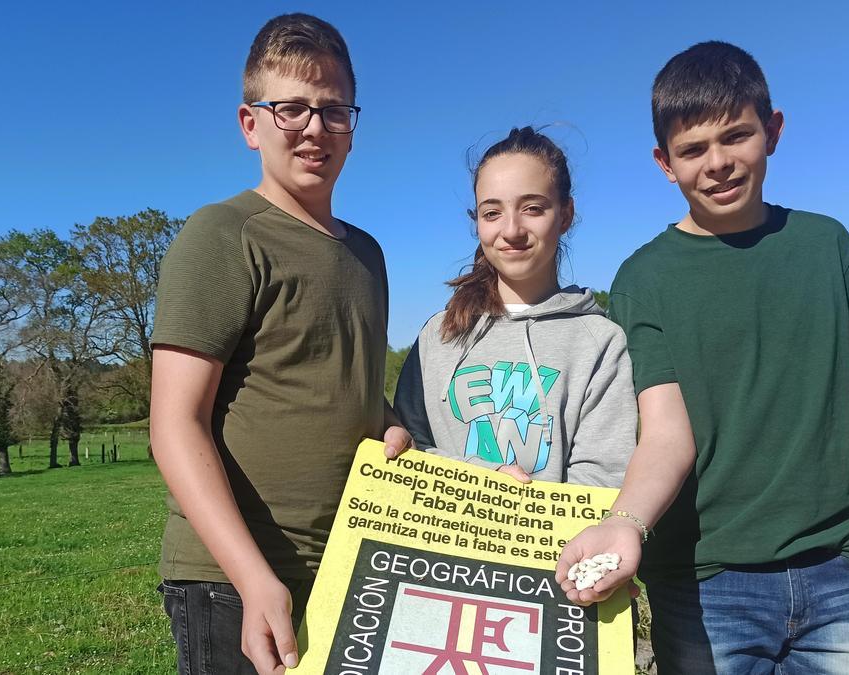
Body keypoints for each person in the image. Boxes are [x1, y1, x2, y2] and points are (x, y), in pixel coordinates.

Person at [554, 41, 849, 673]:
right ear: (664, 163)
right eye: (693, 149)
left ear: (773, 131)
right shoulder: (644, 276)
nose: (718, 163)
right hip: (705, 584)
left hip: (840, 570)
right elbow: (666, 430)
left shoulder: (827, 245)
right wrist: (626, 524)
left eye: (737, 136)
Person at [147, 14, 411, 675]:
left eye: (333, 110)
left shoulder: (368, 254)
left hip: (347, 568)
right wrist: (253, 578)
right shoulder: (222, 235)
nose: (315, 128)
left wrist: (389, 421)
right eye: (291, 108)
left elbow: (331, 381)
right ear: (250, 123)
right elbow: (173, 423)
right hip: (233, 579)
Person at [395, 126, 636, 489]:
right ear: (477, 222)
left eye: (533, 208)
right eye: (492, 213)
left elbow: (604, 477)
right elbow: (407, 451)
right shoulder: (438, 333)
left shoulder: (601, 342)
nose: (512, 230)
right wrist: (483, 482)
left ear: (566, 215)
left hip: (555, 545)